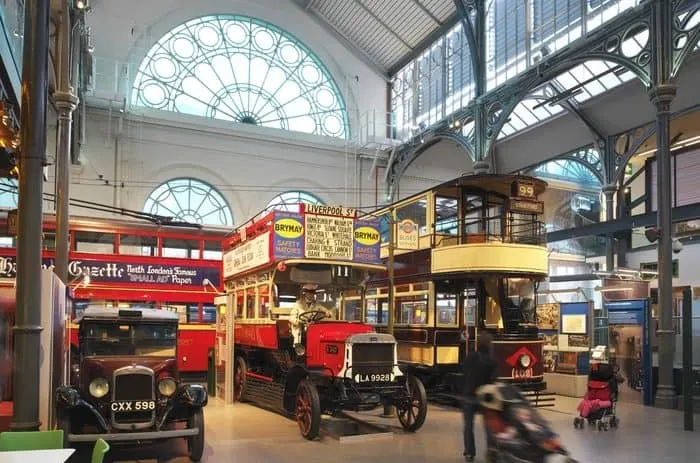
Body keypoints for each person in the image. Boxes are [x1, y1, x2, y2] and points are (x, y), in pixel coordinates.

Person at [462, 331, 497, 462]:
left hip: (469, 395)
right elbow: (494, 380)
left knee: (468, 426)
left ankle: (469, 452)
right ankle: (491, 451)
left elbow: (464, 373)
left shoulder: (470, 357)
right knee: (489, 426)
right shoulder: (492, 361)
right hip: (486, 397)